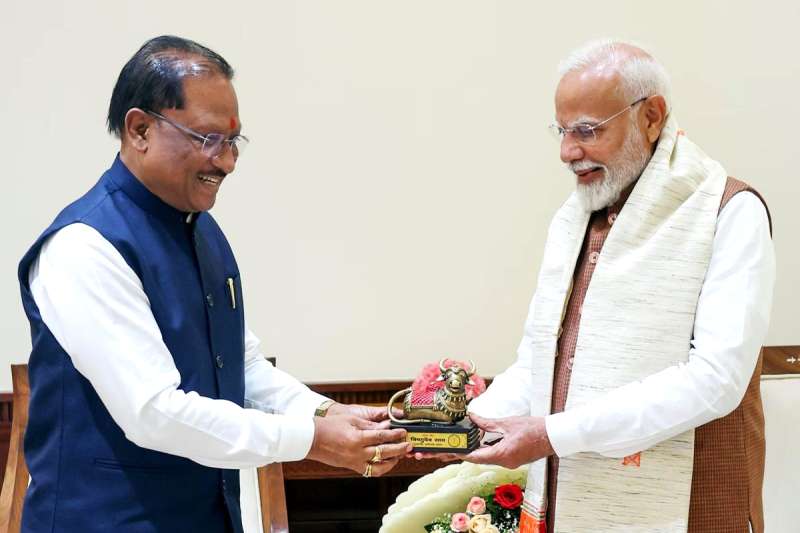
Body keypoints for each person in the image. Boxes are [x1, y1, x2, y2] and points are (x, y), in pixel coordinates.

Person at [17, 35, 410, 533]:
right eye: (207, 139)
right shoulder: (83, 246)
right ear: (139, 129)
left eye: (233, 141)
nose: (226, 162)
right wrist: (311, 439)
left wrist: (326, 412)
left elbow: (239, 366)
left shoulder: (201, 231)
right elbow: (154, 412)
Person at [421, 40, 775, 532]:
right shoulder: (575, 220)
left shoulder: (729, 211)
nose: (568, 152)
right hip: (575, 498)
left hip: (693, 504)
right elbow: (539, 366)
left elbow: (716, 379)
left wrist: (554, 434)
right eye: (562, 131)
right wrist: (454, 430)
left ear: (651, 116)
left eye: (587, 130)